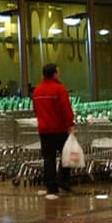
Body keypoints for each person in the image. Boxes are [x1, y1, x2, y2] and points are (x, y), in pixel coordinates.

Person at [32, 62, 75, 197]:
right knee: (66, 155)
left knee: (48, 158)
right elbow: (65, 109)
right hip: (59, 128)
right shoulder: (59, 89)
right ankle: (62, 179)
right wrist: (70, 125)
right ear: (54, 74)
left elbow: (35, 110)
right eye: (58, 71)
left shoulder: (37, 90)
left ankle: (51, 186)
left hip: (44, 130)